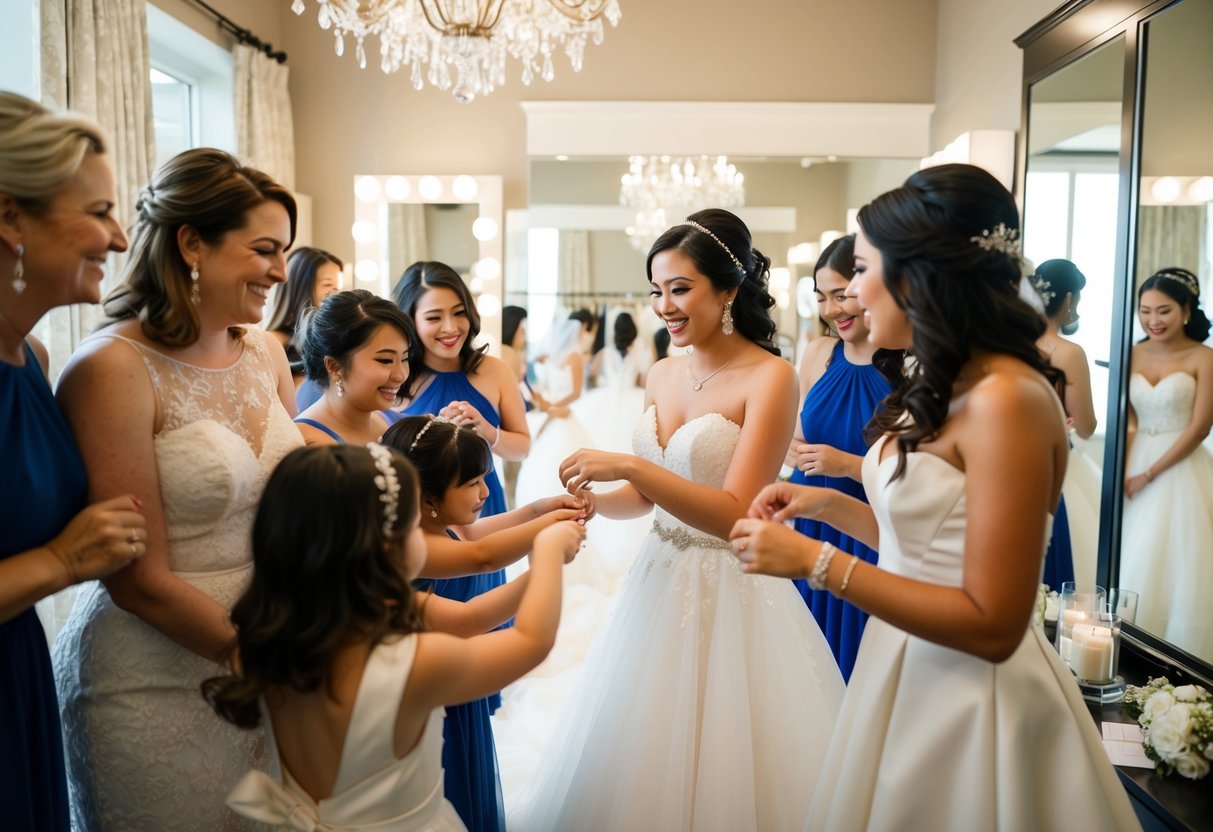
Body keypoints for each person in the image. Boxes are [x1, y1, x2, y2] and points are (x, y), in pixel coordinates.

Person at [729, 164, 1140, 830]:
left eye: (861, 270)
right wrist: (824, 508)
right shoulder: (944, 381)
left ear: (917, 273)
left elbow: (993, 624)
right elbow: (922, 545)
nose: (852, 295)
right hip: (899, 662)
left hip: (972, 700)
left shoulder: (1007, 398)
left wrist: (816, 565)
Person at [511, 208, 845, 831]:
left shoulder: (771, 378)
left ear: (728, 290)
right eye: (657, 290)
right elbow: (646, 501)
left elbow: (730, 513)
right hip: (657, 578)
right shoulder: (662, 371)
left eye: (680, 288)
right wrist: (589, 503)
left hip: (736, 585)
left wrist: (631, 468)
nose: (664, 305)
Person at [52, 147, 302, 831]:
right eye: (265, 249)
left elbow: (296, 505)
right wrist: (260, 665)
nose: (282, 271)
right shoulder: (112, 369)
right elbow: (135, 579)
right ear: (193, 242)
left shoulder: (266, 351)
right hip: (149, 681)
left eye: (285, 251)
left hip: (267, 658)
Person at [203, 443, 585, 831]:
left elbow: (471, 617)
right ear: (388, 546)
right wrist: (548, 552)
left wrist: (538, 565)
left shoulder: (266, 642)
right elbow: (530, 641)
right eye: (415, 524)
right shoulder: (411, 661)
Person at [0, 91, 147, 832]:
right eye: (98, 212)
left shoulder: (34, 359)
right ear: (9, 216)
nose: (120, 240)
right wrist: (62, 560)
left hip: (15, 673)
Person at [382, 415, 591, 832]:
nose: (486, 491)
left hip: (450, 683)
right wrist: (546, 558)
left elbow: (476, 537)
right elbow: (480, 575)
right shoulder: (413, 547)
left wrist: (540, 510)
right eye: (473, 482)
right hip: (434, 694)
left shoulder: (431, 526)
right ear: (429, 498)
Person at [785, 234, 903, 681]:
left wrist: (848, 465)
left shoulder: (907, 363)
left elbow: (919, 469)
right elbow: (797, 435)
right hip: (813, 520)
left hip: (872, 526)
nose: (832, 310)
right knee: (810, 661)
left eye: (841, 295)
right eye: (821, 298)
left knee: (860, 659)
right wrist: (794, 450)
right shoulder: (819, 353)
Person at [1120, 268, 1213, 659]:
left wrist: (1149, 473)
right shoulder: (1132, 351)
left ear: (1187, 310)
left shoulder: (1203, 357)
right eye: (1145, 311)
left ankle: (1178, 656)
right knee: (1130, 553)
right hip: (1135, 455)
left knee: (1180, 561)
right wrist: (1125, 469)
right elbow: (1127, 417)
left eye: (1164, 311)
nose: (1153, 321)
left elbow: (1200, 427)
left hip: (1181, 463)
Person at [1033, 258, 1099, 587]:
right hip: (1056, 461)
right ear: (1069, 299)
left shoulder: (1008, 344)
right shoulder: (1068, 353)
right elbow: (1086, 425)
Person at [294, 289, 418, 446]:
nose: (400, 375)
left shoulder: (396, 423)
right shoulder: (309, 445)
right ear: (334, 367)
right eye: (385, 360)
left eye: (405, 358)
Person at [264, 245, 341, 394]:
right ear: (300, 289)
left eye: (337, 288)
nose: (335, 295)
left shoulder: (330, 339)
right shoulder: (273, 342)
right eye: (327, 285)